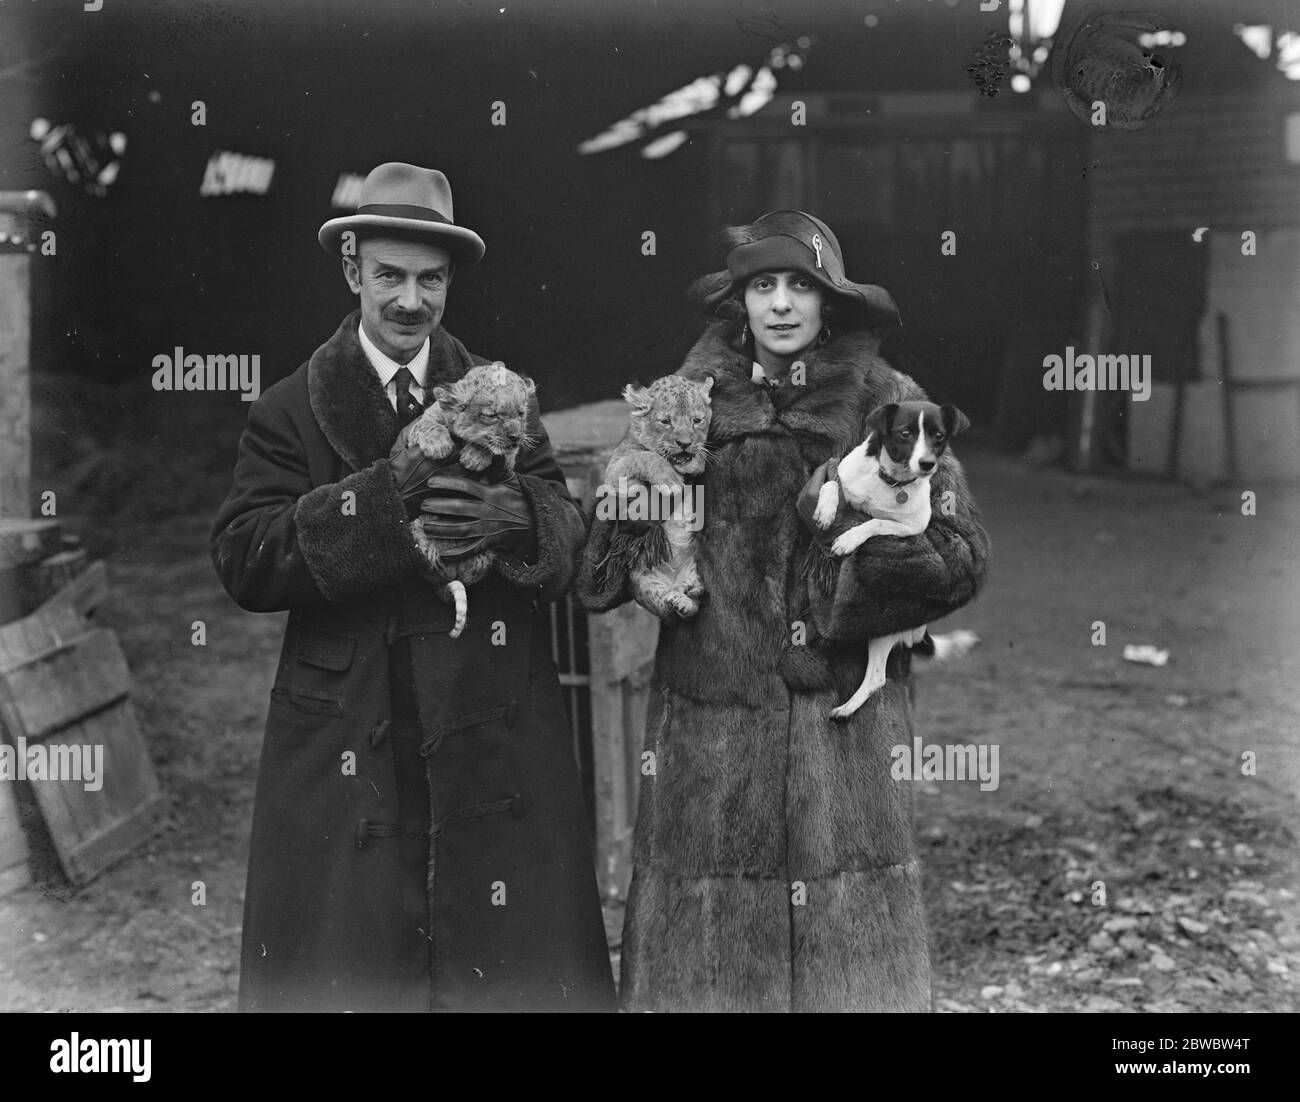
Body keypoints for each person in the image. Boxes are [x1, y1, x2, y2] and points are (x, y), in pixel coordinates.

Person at [211, 162, 615, 1012]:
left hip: (486, 707)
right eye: (389, 276)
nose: (409, 301)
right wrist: (384, 496)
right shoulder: (288, 408)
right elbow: (246, 558)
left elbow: (568, 540)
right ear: (353, 271)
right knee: (351, 963)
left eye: (430, 280)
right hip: (350, 721)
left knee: (501, 962)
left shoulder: (501, 397)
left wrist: (514, 517)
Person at [577, 210, 991, 1012]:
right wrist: (641, 532)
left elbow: (959, 558)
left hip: (843, 728)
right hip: (710, 725)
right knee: (709, 950)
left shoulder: (890, 402)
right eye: (762, 286)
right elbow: (605, 566)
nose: (781, 305)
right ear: (739, 304)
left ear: (829, 303)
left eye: (801, 286)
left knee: (849, 953)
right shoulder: (684, 401)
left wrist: (845, 586)